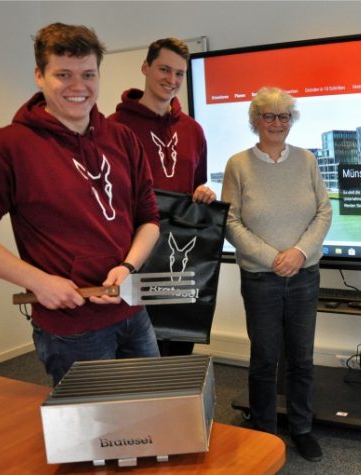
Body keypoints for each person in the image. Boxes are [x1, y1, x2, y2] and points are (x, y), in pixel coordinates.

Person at [0, 23, 161, 386]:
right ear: (40, 75)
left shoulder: (122, 138)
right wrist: (38, 282)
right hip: (72, 329)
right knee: (94, 420)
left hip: (131, 312)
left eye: (88, 74)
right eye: (63, 74)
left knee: (153, 408)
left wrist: (128, 266)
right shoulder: (9, 147)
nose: (78, 86)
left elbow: (149, 219)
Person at [221, 87, 332, 462]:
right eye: (269, 115)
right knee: (264, 360)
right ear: (255, 120)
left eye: (284, 116)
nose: (277, 123)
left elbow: (324, 211)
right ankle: (265, 433)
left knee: (301, 359)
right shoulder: (238, 165)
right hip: (261, 280)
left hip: (304, 276)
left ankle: (301, 428)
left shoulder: (306, 161)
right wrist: (274, 259)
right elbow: (230, 222)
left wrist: (299, 253)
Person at [109, 37, 216, 357]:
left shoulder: (193, 130)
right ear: (145, 67)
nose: (172, 79)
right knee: (138, 350)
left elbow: (195, 186)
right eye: (164, 69)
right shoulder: (113, 128)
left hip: (180, 255)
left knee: (180, 341)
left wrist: (203, 194)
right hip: (132, 254)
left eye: (179, 73)